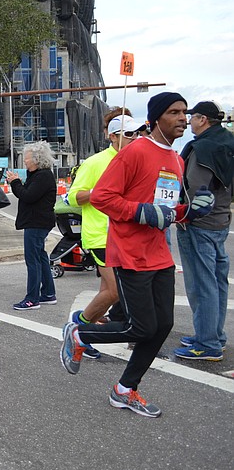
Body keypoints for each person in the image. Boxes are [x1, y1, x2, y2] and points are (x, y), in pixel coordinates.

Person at [61, 91, 214, 418]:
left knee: (163, 325)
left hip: (159, 253)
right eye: (174, 112)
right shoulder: (135, 151)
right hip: (130, 251)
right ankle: (79, 331)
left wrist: (191, 211)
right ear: (156, 117)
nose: (182, 119)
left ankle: (124, 389)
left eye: (184, 113)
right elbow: (102, 197)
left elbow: (168, 209)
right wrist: (143, 213)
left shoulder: (176, 159)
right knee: (143, 327)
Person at [67, 111, 146, 359]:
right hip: (101, 235)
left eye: (137, 132)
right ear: (112, 136)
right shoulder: (95, 162)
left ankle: (84, 327)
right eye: (128, 134)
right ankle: (79, 327)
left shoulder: (138, 161)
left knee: (109, 291)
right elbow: (72, 197)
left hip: (128, 235)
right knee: (114, 291)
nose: (135, 138)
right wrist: (100, 192)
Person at [175, 100, 234, 361]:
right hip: (221, 219)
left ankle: (207, 343)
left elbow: (194, 189)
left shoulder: (202, 148)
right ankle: (213, 335)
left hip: (200, 223)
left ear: (203, 119)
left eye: (192, 117)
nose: (188, 121)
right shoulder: (228, 142)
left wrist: (183, 214)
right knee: (217, 281)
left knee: (202, 284)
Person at [6, 141, 57, 310]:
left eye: (27, 159)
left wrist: (15, 182)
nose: (25, 162)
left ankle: (32, 298)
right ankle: (48, 293)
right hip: (39, 222)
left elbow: (27, 195)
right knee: (40, 257)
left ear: (36, 159)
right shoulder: (39, 175)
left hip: (37, 222)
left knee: (33, 260)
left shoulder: (43, 176)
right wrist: (19, 182)